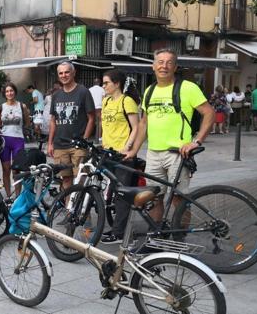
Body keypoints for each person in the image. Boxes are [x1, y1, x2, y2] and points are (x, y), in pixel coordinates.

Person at [126, 48, 214, 224]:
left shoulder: (188, 88)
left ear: (175, 67)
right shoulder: (149, 91)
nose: (164, 66)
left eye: (169, 63)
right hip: (153, 154)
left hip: (178, 154)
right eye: (160, 62)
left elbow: (209, 113)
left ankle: (180, 237)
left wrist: (196, 141)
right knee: (153, 198)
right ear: (153, 66)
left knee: (179, 200)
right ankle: (156, 236)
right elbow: (144, 123)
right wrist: (133, 150)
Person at [97, 69, 141, 243]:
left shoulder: (127, 101)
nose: (104, 86)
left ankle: (119, 232)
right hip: (108, 152)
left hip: (123, 154)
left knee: (121, 195)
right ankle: (115, 226)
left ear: (117, 84)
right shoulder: (106, 101)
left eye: (106, 82)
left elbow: (136, 127)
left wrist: (128, 147)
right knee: (112, 193)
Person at [47, 62, 95, 192]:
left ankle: (82, 212)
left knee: (80, 179)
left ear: (73, 73)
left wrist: (84, 139)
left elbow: (92, 118)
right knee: (66, 180)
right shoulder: (56, 95)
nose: (64, 75)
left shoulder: (83, 92)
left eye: (67, 72)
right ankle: (70, 211)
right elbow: (53, 120)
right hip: (60, 145)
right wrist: (50, 143)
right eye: (61, 73)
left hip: (78, 145)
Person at [0, 82, 31, 198]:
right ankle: (9, 196)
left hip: (18, 140)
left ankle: (18, 196)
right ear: (4, 94)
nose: (9, 93)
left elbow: (27, 123)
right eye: (7, 91)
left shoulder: (22, 106)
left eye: (11, 91)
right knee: (6, 169)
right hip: (5, 141)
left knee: (16, 170)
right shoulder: (0, 108)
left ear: (15, 91)